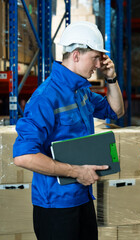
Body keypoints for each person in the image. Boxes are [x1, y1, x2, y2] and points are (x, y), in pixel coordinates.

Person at [13, 21, 124, 240]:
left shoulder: (81, 91)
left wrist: (111, 77)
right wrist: (76, 172)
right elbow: (23, 157)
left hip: (82, 198)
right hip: (56, 206)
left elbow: (116, 111)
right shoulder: (46, 97)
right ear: (75, 55)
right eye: (95, 57)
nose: (98, 64)